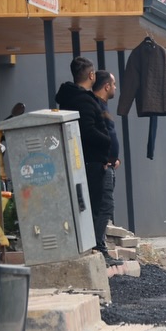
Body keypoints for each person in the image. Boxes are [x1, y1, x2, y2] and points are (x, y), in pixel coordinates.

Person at [54, 56, 116, 261]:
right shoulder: (83, 100)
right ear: (91, 75)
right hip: (91, 163)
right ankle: (96, 250)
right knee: (97, 207)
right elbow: (88, 131)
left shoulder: (69, 98)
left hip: (84, 162)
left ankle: (92, 248)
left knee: (89, 207)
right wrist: (106, 141)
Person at [92, 70, 122, 258]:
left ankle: (100, 245)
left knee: (106, 206)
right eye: (114, 84)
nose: (115, 88)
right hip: (102, 166)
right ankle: (98, 248)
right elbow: (98, 136)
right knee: (105, 205)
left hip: (109, 165)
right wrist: (106, 159)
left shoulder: (103, 106)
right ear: (106, 86)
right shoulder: (96, 106)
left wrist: (113, 159)